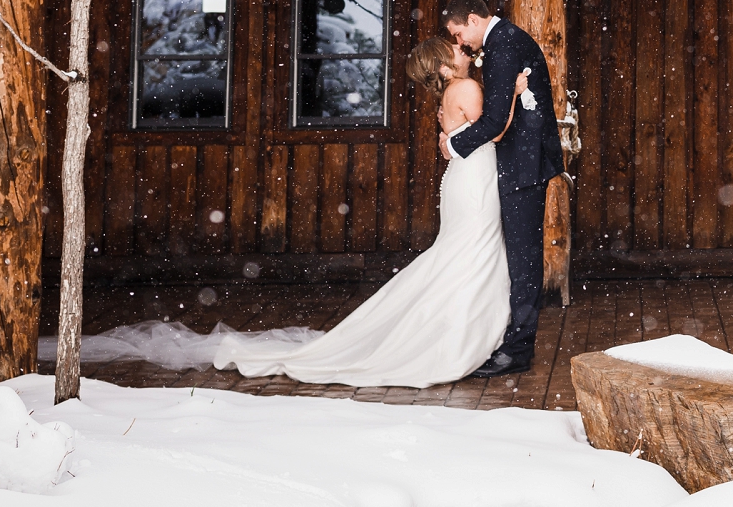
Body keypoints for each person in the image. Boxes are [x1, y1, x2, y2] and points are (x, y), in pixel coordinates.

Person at [209, 36, 527, 387]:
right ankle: (455, 339)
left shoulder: (453, 92)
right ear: (442, 65)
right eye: (450, 51)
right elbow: (494, 133)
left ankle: (447, 331)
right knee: (470, 256)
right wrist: (512, 93)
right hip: (473, 183)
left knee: (463, 255)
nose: (459, 50)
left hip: (466, 179)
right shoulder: (465, 87)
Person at [440, 0, 563, 377]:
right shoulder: (504, 41)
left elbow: (494, 122)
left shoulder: (503, 45)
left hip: (523, 166)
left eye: (459, 33)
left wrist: (453, 144)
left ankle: (518, 350)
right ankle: (512, 340)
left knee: (524, 260)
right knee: (520, 257)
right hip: (520, 164)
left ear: (474, 20)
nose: (460, 42)